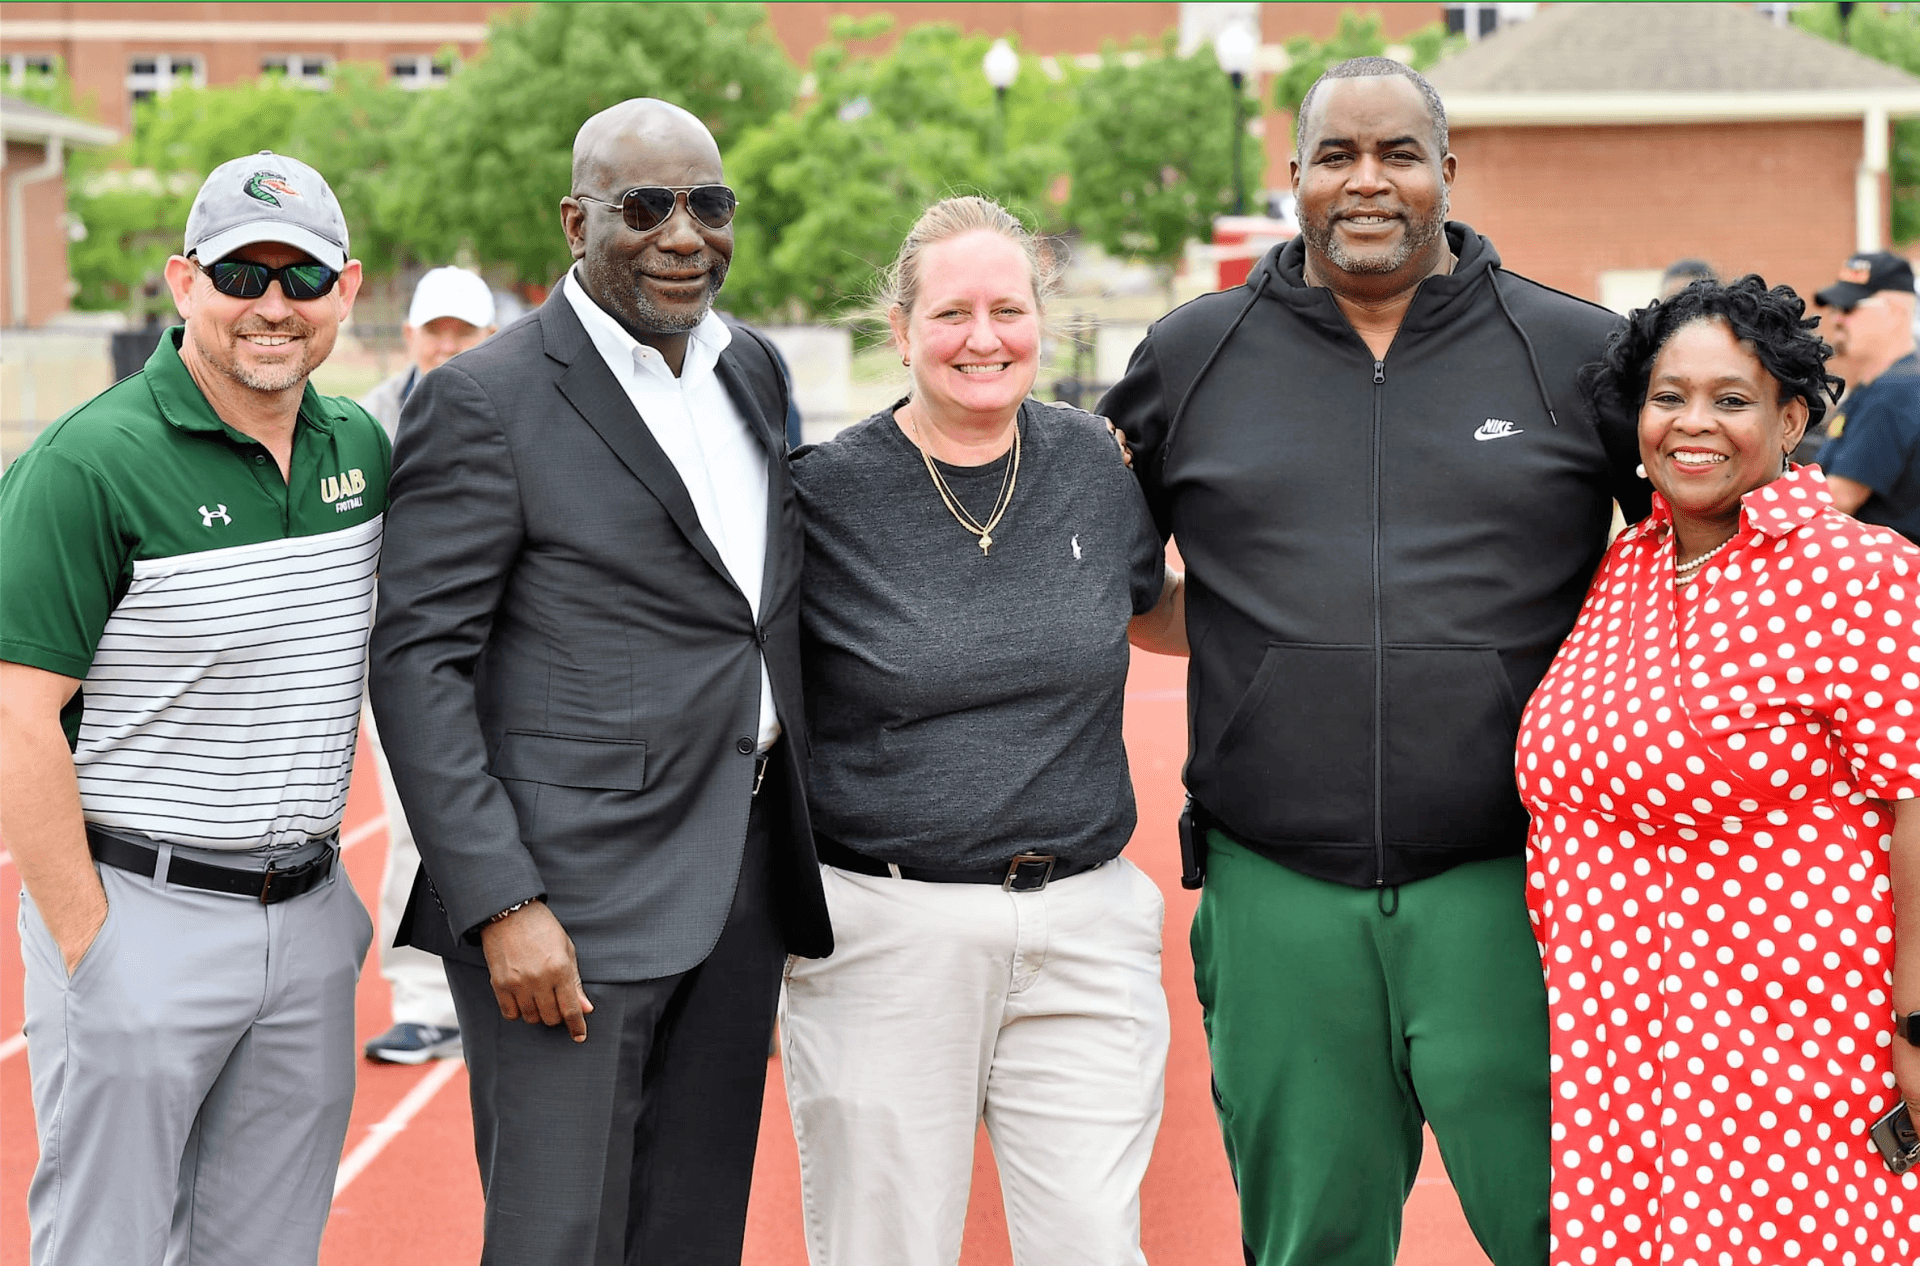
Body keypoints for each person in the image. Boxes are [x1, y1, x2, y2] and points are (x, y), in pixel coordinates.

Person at [1100, 58, 1649, 1264]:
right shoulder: (1192, 353)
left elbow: (1692, 560)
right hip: (1277, 886)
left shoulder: (1578, 352)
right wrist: (1269, 636)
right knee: (1311, 1242)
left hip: (1524, 886)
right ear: (1290, 176)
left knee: (1576, 1231)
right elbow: (1114, 580)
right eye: (1337, 156)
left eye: (1399, 154)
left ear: (1448, 172)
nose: (1368, 181)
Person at [367, 98, 831, 1265]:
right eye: (647, 206)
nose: (685, 235)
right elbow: (418, 661)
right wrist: (503, 903)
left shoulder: (753, 369)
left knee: (690, 1233)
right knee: (558, 1239)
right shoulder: (484, 398)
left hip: (735, 885)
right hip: (562, 914)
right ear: (577, 221)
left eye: (709, 205)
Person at [781, 195, 1183, 1266]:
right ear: (902, 329)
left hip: (1086, 927)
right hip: (889, 932)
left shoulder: (1096, 466)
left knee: (1095, 1246)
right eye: (952, 312)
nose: (984, 338)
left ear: (1041, 320)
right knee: (886, 1249)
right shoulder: (822, 495)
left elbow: (1159, 610)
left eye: (1009, 309)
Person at [0, 150, 382, 1264]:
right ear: (183, 283)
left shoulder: (357, 447)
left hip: (309, 919)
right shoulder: (86, 465)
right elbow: (18, 722)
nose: (273, 306)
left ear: (345, 292)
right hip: (138, 911)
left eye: (301, 279)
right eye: (241, 274)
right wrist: (91, 945)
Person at [1521, 275, 1920, 1263]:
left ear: (1791, 420)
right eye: (1669, 396)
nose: (1693, 424)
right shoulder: (1628, 570)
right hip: (1620, 1061)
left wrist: (1919, 1028)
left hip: (1798, 1067)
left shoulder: (1858, 575)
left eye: (1731, 399)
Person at [357, 265, 496, 1064]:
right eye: (434, 330)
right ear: (409, 334)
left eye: (463, 331)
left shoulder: (518, 408)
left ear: (487, 337)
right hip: (408, 657)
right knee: (417, 824)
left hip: (506, 651)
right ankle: (422, 998)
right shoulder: (367, 425)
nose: (447, 345)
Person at [1813, 250, 1920, 541]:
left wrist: (1757, 506)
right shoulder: (1883, 385)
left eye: (1848, 308)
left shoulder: (1897, 391)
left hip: (1893, 576)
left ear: (1895, 313)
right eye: (1834, 308)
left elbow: (1840, 497)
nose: (1836, 319)